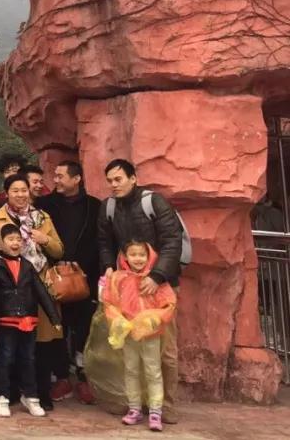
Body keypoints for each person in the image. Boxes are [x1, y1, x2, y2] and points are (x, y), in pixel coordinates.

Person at [97, 158, 184, 422]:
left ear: (133, 178)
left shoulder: (154, 202)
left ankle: (166, 405)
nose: (114, 185)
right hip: (127, 288)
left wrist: (157, 275)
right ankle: (136, 403)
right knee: (129, 347)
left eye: (118, 179)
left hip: (160, 286)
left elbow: (172, 240)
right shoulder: (108, 207)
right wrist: (108, 267)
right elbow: (104, 242)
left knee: (165, 350)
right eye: (110, 181)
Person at [0, 174, 64, 411]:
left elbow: (58, 250)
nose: (20, 194)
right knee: (10, 345)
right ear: (6, 193)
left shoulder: (42, 217)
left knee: (40, 343)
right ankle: (11, 392)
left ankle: (39, 392)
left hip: (38, 282)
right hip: (10, 285)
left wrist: (45, 239)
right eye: (15, 190)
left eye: (24, 190)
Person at [0, 223, 61, 419]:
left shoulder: (27, 265)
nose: (15, 243)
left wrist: (54, 317)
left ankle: (31, 396)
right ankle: (2, 396)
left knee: (28, 359)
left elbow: (41, 292)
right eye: (10, 239)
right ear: (1, 243)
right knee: (5, 359)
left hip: (28, 319)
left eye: (18, 239)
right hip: (6, 319)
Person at [41, 159, 101, 404]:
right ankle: (62, 377)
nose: (55, 180)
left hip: (85, 278)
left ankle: (84, 378)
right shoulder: (45, 205)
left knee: (84, 329)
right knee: (57, 328)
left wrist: (92, 271)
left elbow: (101, 241)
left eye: (60, 176)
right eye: (55, 175)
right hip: (53, 276)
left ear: (76, 179)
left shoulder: (95, 207)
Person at [103, 241, 177, 432]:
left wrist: (153, 319)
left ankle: (155, 411)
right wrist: (119, 321)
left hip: (150, 334)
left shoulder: (156, 280)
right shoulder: (118, 279)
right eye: (133, 254)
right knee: (131, 370)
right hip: (129, 333)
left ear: (149, 256)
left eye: (142, 254)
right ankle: (134, 408)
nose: (138, 258)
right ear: (125, 257)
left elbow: (169, 304)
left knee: (153, 371)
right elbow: (109, 303)